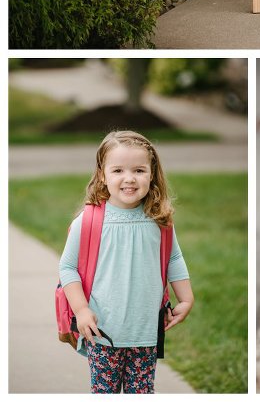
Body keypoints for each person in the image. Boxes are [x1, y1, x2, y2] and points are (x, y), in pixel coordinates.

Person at [59, 130, 194, 393]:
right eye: (118, 170)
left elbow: (173, 258)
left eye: (139, 170)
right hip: (103, 331)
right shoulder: (87, 222)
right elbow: (68, 267)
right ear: (102, 174)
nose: (129, 178)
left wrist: (186, 298)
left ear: (152, 174)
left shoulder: (160, 220)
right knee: (105, 392)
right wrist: (82, 310)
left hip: (145, 331)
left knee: (142, 392)